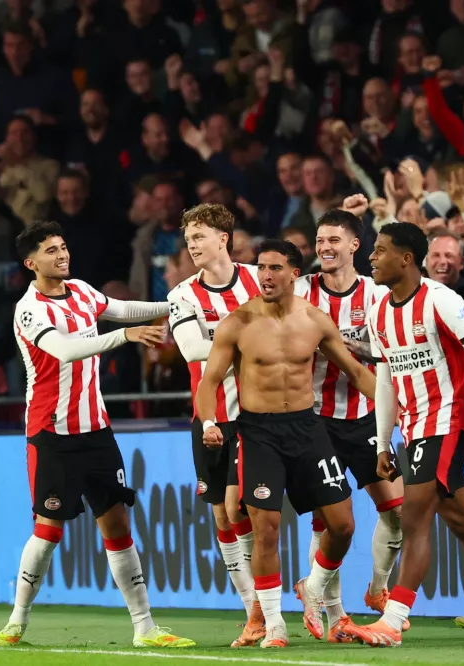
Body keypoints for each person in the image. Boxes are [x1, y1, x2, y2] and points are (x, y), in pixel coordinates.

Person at [0, 220, 194, 649]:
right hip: (52, 432)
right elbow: (66, 350)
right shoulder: (29, 309)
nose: (62, 255)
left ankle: (145, 628)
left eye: (63, 247)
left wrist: (176, 305)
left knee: (117, 523)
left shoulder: (82, 291)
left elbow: (122, 308)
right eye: (50, 251)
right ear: (31, 263)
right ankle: (17, 621)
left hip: (96, 430)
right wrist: (124, 336)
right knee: (48, 531)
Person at [347, 222, 464, 648]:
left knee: (413, 517)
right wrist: (382, 442)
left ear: (406, 259)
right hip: (415, 430)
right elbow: (387, 381)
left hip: (449, 423)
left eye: (380, 251)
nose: (372, 259)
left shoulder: (441, 300)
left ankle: (392, 621)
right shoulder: (379, 312)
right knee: (463, 521)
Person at [195, 239, 377, 649]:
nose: (265, 275)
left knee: (343, 524)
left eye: (275, 268)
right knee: (267, 530)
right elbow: (209, 381)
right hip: (257, 432)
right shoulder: (237, 322)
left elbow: (353, 370)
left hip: (307, 426)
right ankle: (274, 625)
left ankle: (313, 586)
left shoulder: (315, 319)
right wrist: (210, 420)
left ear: (295, 273)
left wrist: (395, 405)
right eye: (261, 267)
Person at [293, 200, 406, 642]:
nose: (325, 248)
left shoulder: (376, 294)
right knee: (329, 520)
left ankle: (377, 590)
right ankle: (330, 608)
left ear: (355, 245)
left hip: (365, 418)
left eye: (334, 240)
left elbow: (391, 354)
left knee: (398, 513)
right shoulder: (300, 291)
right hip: (315, 420)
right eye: (320, 241)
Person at [165, 203, 265, 647]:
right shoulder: (182, 294)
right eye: (188, 239)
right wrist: (257, 342)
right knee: (223, 514)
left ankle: (274, 607)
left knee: (245, 508)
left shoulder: (257, 280)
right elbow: (190, 350)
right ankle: (252, 611)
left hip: (257, 416)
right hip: (209, 415)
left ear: (224, 238)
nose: (192, 245)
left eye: (200, 236)